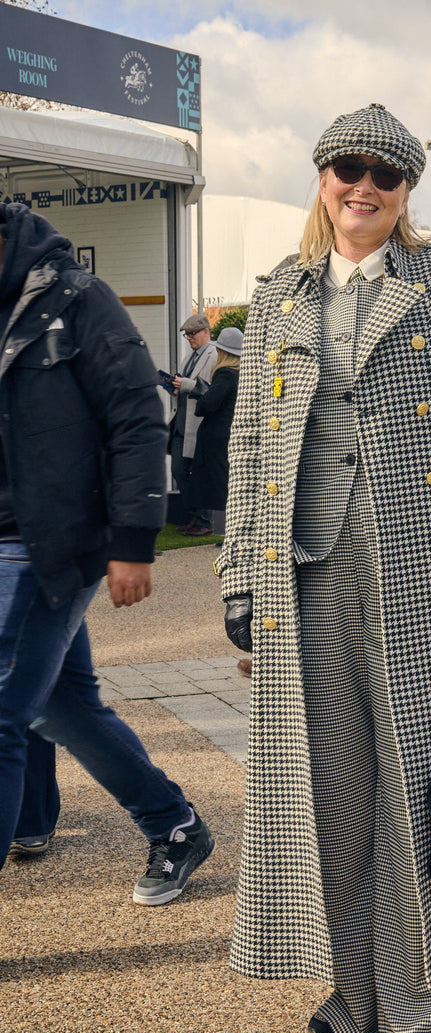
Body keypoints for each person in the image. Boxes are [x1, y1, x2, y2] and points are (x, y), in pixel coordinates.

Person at [216, 103, 431, 1033]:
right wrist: (236, 571)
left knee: (418, 791)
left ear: (406, 193)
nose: (362, 187)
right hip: (303, 566)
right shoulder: (277, 294)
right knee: (332, 790)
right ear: (322, 179)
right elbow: (248, 444)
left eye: (383, 176)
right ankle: (357, 997)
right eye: (345, 170)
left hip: (427, 571)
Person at [0, 201, 215, 903]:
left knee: (3, 713)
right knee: (62, 709)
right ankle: (174, 822)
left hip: (46, 547)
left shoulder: (77, 298)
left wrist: (133, 541)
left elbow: (134, 417)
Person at [169, 313, 218, 536]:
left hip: (198, 425)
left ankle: (203, 521)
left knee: (198, 473)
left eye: (192, 333)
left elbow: (212, 391)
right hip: (181, 423)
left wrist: (187, 384)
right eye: (186, 335)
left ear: (206, 331)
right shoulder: (189, 357)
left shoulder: (214, 354)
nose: (189, 338)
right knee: (178, 470)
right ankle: (193, 517)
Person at [190, 325, 243, 521]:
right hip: (230, 432)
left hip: (217, 435)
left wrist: (201, 394)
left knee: (219, 484)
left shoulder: (225, 374)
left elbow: (209, 405)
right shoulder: (241, 374)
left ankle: (223, 529)